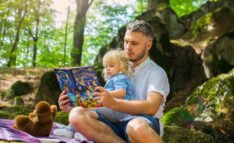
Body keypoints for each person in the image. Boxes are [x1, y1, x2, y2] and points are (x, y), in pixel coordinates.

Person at [58, 20, 170, 143]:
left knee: (136, 126)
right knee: (76, 114)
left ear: (148, 45)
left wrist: (113, 102)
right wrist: (74, 102)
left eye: (134, 43)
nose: (128, 47)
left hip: (143, 123)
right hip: (114, 124)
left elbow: (151, 107)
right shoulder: (115, 68)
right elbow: (102, 104)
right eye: (126, 41)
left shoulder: (157, 72)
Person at [54, 49, 134, 138]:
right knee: (84, 107)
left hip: (118, 111)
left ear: (121, 67)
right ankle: (78, 131)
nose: (107, 68)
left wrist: (104, 93)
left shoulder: (120, 78)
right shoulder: (113, 79)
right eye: (106, 66)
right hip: (112, 109)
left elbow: (121, 92)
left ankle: (76, 131)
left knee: (88, 108)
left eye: (111, 66)